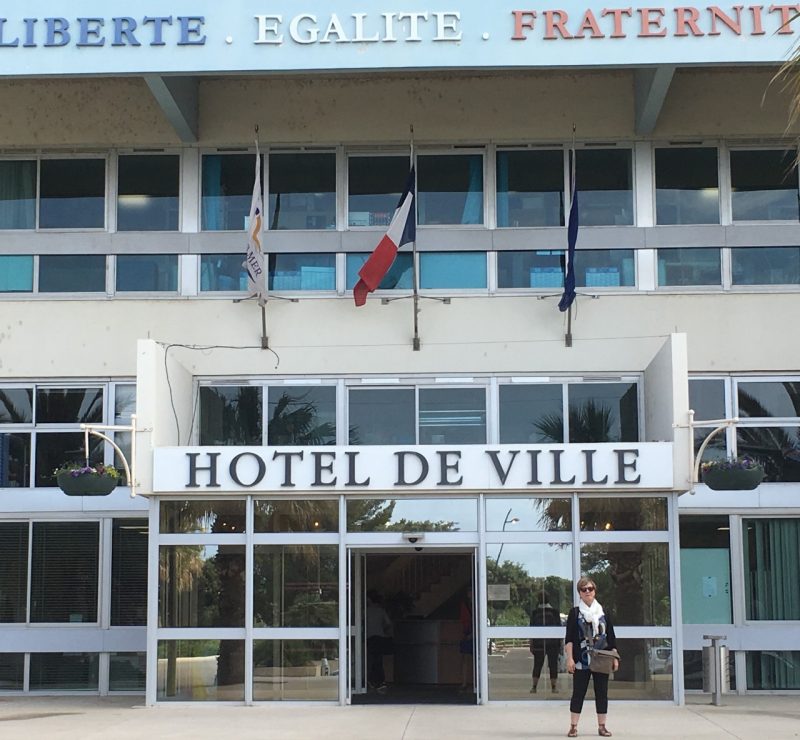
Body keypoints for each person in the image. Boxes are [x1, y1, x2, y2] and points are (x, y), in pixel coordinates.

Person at [564, 577, 619, 738]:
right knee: (578, 692)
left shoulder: (604, 612)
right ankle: (573, 726)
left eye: (590, 589)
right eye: (584, 589)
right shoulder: (575, 613)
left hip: (601, 657)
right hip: (582, 659)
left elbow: (611, 637)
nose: (587, 592)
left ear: (595, 591)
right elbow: (569, 638)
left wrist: (615, 657)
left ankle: (602, 726)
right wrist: (570, 658)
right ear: (579, 593)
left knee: (602, 692)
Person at [529, 591, 562, 694]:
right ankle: (554, 687)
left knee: (537, 665)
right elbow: (559, 629)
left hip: (539, 643)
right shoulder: (555, 612)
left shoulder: (535, 613)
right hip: (553, 643)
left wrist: (531, 644)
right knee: (553, 665)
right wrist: (560, 643)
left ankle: (534, 687)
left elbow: (531, 629)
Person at [366, 589, 392, 692]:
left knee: (371, 660)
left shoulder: (366, 611)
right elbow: (388, 624)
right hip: (380, 637)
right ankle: (379, 681)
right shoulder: (381, 611)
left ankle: (372, 681)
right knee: (378, 660)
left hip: (370, 637)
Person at [458, 588, 474, 692]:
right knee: (465, 658)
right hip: (467, 633)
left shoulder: (478, 604)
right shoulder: (465, 605)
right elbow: (463, 621)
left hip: (474, 633)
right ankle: (464, 683)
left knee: (477, 659)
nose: (470, 594)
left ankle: (476, 683)